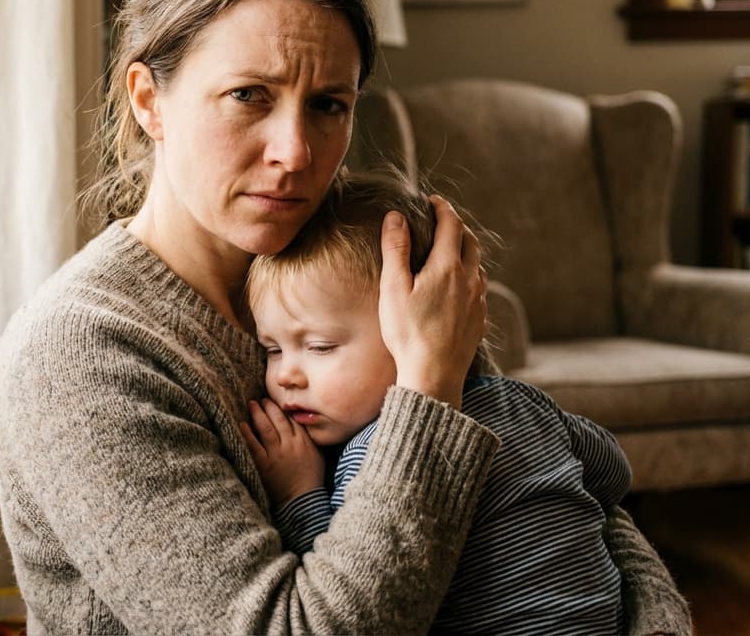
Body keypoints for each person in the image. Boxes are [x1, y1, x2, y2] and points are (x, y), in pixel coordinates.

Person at [0, 0, 690, 634]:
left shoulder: (369, 269)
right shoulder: (79, 358)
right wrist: (427, 394)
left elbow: (562, 507)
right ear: (148, 101)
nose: (295, 151)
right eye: (248, 96)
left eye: (328, 106)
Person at [243, 168, 633, 634]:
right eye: (272, 349)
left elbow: (342, 593)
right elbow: (612, 473)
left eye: (321, 346)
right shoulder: (527, 405)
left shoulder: (372, 462)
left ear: (428, 323)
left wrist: (298, 494)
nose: (286, 375)